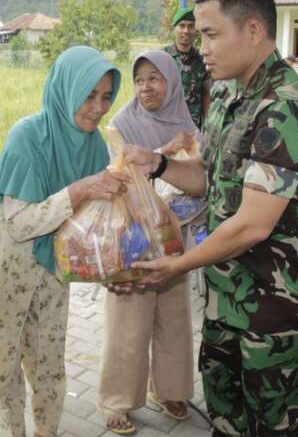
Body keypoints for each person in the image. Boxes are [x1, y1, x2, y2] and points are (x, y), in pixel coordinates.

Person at [122, 0, 298, 436]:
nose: (202, 47)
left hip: (276, 310)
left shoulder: (286, 105)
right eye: (199, 35)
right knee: (226, 419)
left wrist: (177, 265)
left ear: (253, 31)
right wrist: (157, 164)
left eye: (211, 34)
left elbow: (253, 225)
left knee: (272, 426)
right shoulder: (227, 93)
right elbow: (211, 182)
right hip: (226, 299)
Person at [0, 46, 127, 437]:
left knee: (48, 363)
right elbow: (21, 223)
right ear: (65, 90)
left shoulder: (95, 145)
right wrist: (77, 191)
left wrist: (115, 258)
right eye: (88, 95)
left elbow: (89, 224)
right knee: (1, 364)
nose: (98, 108)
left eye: (107, 96)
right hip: (8, 258)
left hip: (52, 264)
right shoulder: (29, 136)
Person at [98, 50, 199, 434]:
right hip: (135, 239)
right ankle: (117, 401)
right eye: (140, 79)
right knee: (129, 322)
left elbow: (199, 175)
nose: (146, 87)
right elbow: (120, 176)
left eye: (155, 78)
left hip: (177, 238)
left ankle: (170, 389)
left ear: (171, 82)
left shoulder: (186, 122)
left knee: (174, 318)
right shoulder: (122, 124)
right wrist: (166, 152)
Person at [163, 6, 211, 129]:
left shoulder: (202, 59)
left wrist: (208, 124)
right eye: (182, 25)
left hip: (193, 127)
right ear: (174, 29)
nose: (186, 31)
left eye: (191, 26)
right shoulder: (162, 57)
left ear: (196, 30)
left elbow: (206, 93)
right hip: (167, 125)